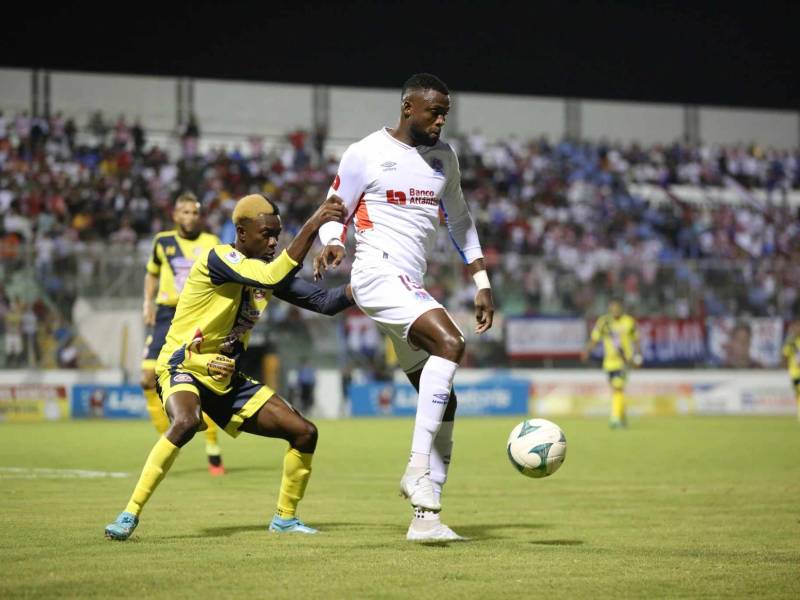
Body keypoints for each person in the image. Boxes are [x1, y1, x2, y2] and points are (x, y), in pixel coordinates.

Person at [313, 73, 495, 542]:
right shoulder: (365, 152)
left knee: (444, 398)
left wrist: (481, 280)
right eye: (433, 112)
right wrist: (333, 242)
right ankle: (417, 469)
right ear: (408, 107)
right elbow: (335, 208)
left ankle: (425, 521)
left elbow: (460, 219)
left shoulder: (443, 159)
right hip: (375, 274)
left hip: (406, 284)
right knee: (451, 342)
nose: (440, 121)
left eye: (445, 114)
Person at [104, 193, 348, 541]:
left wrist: (373, 287)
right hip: (182, 365)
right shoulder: (218, 258)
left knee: (304, 432)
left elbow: (324, 302)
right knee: (187, 422)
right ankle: (129, 513)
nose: (273, 241)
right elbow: (273, 274)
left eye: (277, 234)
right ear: (242, 232)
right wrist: (316, 221)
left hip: (224, 375)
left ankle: (285, 518)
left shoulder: (265, 272)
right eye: (266, 234)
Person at [141, 192, 226, 474]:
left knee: (203, 382)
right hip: (166, 313)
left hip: (197, 315)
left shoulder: (211, 243)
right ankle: (166, 437)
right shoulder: (162, 242)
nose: (190, 217)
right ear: (175, 215)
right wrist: (147, 303)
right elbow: (152, 273)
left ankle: (212, 445)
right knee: (146, 378)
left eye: (194, 212)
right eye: (185, 212)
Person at [582, 298, 643, 428]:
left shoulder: (628, 322)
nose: (614, 310)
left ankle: (615, 419)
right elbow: (595, 338)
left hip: (624, 360)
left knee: (618, 387)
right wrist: (587, 351)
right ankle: (622, 417)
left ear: (621, 308)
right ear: (610, 308)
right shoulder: (604, 322)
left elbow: (636, 339)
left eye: (617, 307)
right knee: (617, 391)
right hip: (609, 362)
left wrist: (638, 355)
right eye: (612, 307)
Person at [781, 320, 800, 422]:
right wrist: (785, 367)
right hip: (796, 373)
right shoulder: (791, 342)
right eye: (796, 327)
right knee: (798, 393)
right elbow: (785, 355)